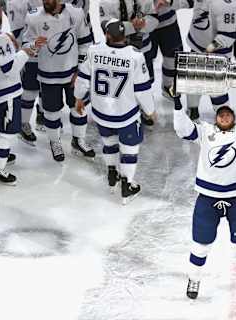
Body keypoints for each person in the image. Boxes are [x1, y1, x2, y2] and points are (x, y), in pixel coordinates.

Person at [172, 84, 236, 300]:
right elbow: (182, 129)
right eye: (222, 114)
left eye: (228, 115)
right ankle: (194, 279)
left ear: (234, 119)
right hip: (208, 198)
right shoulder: (205, 131)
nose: (225, 117)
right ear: (216, 118)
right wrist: (177, 101)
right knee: (200, 246)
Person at [74, 19, 156, 203]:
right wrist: (150, 110)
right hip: (125, 114)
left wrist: (79, 98)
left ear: (107, 35)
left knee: (109, 143)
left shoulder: (94, 50)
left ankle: (112, 174)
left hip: (101, 111)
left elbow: (83, 79)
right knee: (129, 150)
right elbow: (142, 89)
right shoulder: (134, 55)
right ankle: (127, 185)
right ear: (124, 35)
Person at [0, 0, 45, 184]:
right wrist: (29, 50)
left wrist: (6, 38)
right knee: (9, 128)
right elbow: (10, 67)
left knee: (2, 122)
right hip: (4, 90)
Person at [23, 0, 95, 161]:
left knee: (78, 108)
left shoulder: (75, 13)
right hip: (48, 74)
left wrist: (80, 71)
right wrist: (33, 45)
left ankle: (78, 140)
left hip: (72, 73)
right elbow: (26, 44)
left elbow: (86, 43)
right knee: (51, 112)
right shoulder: (33, 17)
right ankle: (55, 142)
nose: (46, 1)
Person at [99, 0, 159, 127]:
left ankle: (143, 108)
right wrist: (133, 26)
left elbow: (154, 18)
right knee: (120, 83)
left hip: (142, 50)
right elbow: (106, 25)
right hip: (118, 53)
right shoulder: (106, 1)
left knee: (145, 81)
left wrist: (144, 23)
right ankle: (119, 110)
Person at [185, 0, 236, 120]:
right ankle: (192, 109)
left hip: (217, 53)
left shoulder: (227, 4)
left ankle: (223, 113)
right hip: (197, 45)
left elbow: (228, 36)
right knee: (193, 80)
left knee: (216, 87)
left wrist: (211, 47)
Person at [7, 0, 44, 144]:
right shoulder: (18, 2)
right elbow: (17, 31)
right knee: (30, 89)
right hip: (30, 49)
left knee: (47, 84)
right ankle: (23, 123)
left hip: (49, 49)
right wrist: (22, 52)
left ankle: (42, 113)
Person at [150, 0, 185, 101]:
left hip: (169, 23)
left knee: (173, 58)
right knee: (143, 61)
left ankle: (168, 86)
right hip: (143, 26)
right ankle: (144, 92)